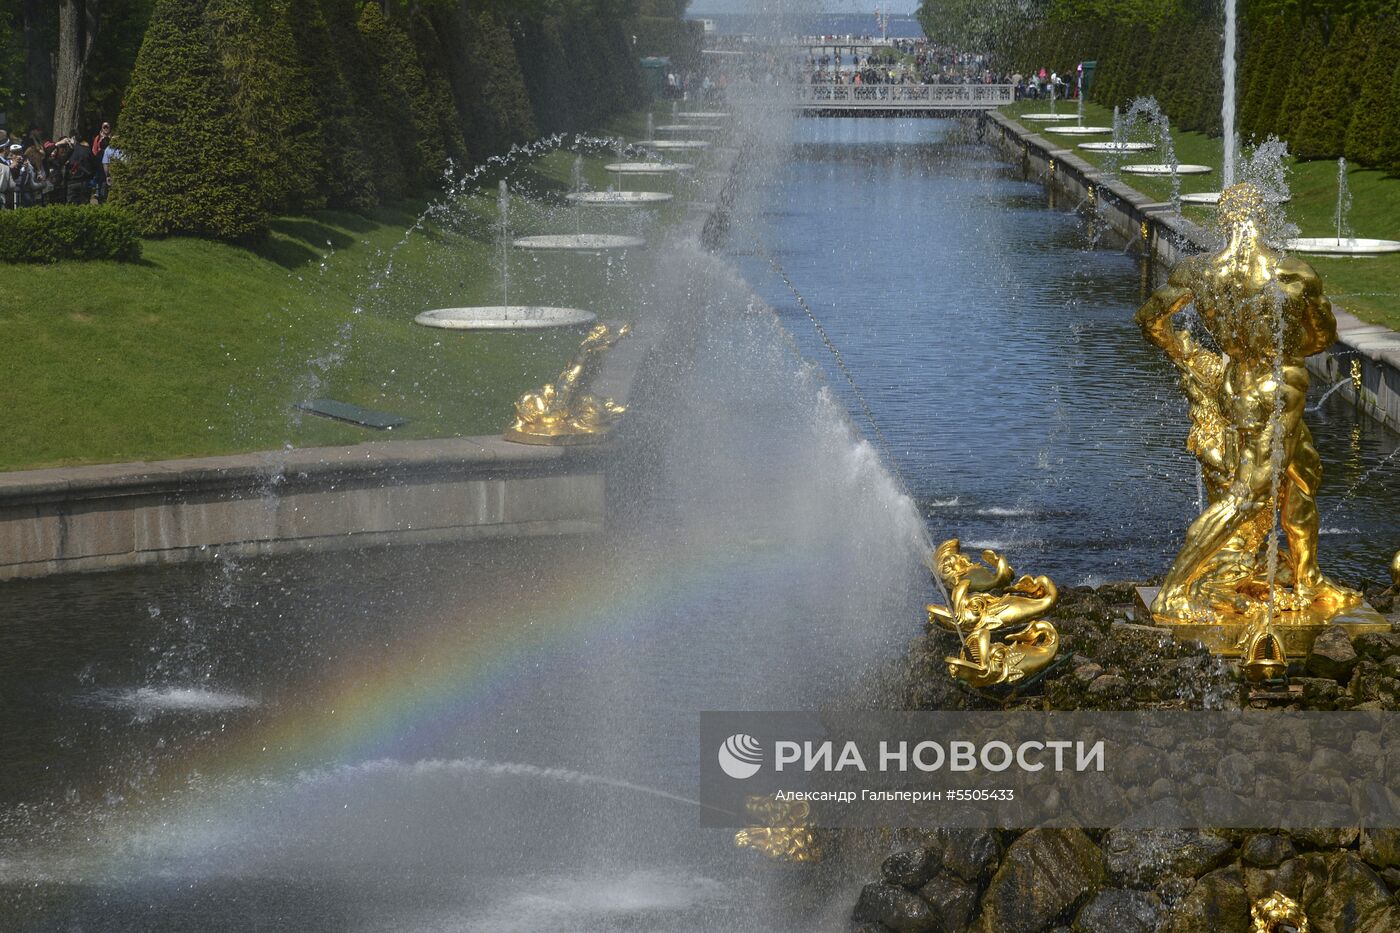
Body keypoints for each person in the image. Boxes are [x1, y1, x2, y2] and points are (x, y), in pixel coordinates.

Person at [1135, 182, 1362, 629]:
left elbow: (1149, 319)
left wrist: (1185, 352)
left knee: (1305, 471)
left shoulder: (1200, 272)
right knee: (1247, 495)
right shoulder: (1291, 274)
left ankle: (1309, 578)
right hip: (1278, 386)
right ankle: (1175, 589)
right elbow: (1324, 336)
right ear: (1261, 216)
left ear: (1223, 220)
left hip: (1239, 383)